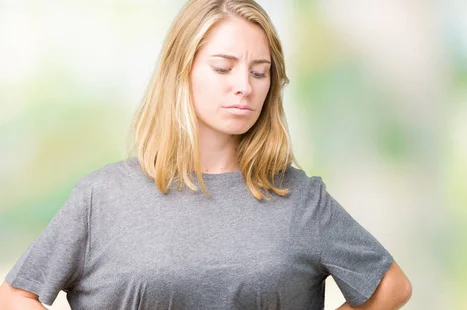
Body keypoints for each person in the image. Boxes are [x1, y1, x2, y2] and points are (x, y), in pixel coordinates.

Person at [0, 0, 412, 309]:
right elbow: (16, 295)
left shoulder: (300, 199)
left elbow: (391, 286)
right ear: (182, 71)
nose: (244, 87)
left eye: (259, 71)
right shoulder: (101, 198)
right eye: (223, 67)